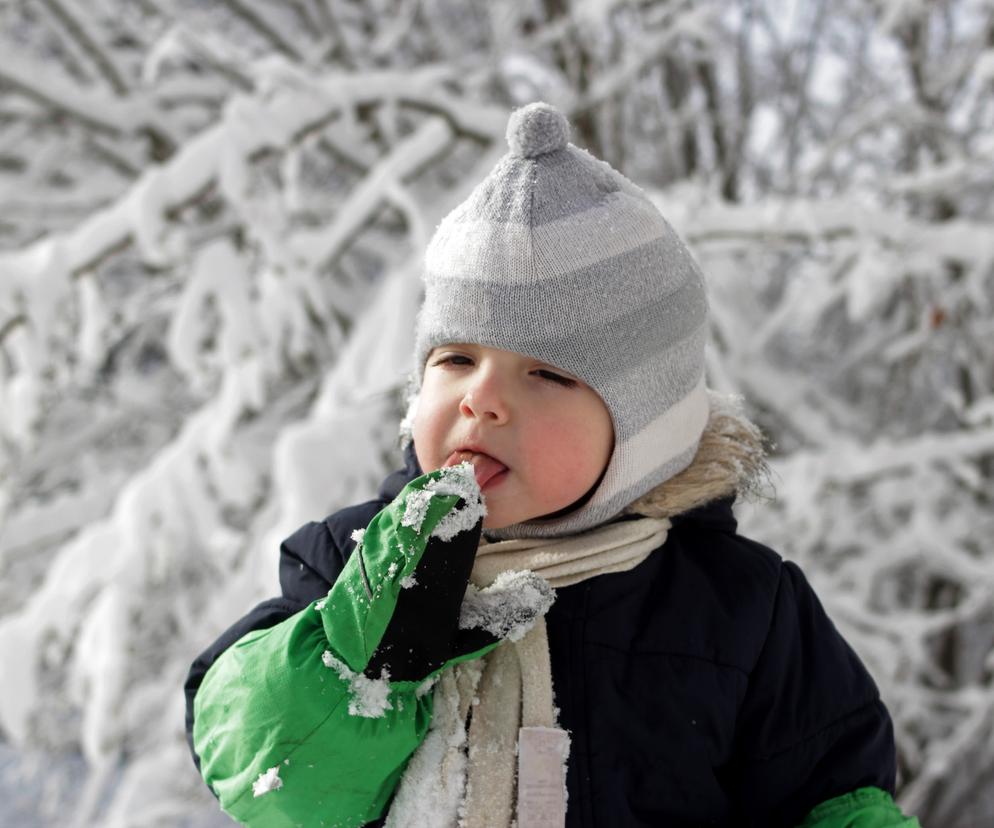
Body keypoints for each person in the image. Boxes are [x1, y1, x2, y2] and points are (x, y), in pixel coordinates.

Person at [185, 102, 919, 828]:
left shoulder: (740, 610)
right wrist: (352, 662)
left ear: (643, 431)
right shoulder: (347, 566)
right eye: (457, 359)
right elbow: (268, 781)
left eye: (549, 375)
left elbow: (833, 800)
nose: (483, 400)